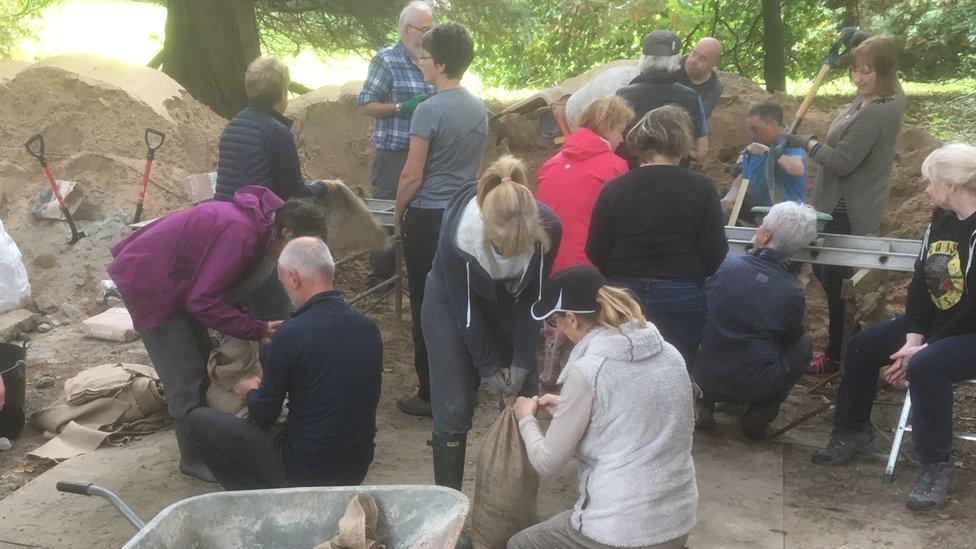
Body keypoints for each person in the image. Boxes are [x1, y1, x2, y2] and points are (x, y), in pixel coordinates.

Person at [107, 186, 328, 482]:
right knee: (184, 376)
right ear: (286, 232)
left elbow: (220, 283)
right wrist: (254, 328)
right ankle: (193, 459)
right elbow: (202, 301)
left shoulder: (259, 226)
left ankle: (205, 440)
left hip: (174, 278)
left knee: (200, 358)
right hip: (151, 283)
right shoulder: (242, 233)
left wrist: (249, 324)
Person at [811, 144, 976, 512]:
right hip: (938, 322)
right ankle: (853, 431)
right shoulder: (941, 219)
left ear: (950, 184)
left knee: (927, 365)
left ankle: (936, 465)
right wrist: (915, 335)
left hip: (970, 330)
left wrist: (924, 349)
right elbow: (921, 282)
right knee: (863, 344)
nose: (925, 187)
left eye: (929, 180)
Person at [509, 265, 696, 549]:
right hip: (677, 520)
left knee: (521, 544)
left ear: (571, 320)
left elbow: (547, 463)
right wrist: (569, 409)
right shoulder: (669, 353)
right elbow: (635, 414)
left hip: (623, 530)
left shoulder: (590, 371)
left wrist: (525, 419)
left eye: (554, 322)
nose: (555, 328)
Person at [187, 237, 382, 490]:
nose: (285, 291)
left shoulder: (291, 334)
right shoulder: (368, 329)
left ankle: (259, 497)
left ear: (294, 277)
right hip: (356, 465)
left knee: (198, 420)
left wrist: (251, 391)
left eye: (282, 283)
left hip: (305, 469)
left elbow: (265, 415)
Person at [422, 155, 561, 493]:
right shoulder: (461, 234)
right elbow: (465, 312)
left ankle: (512, 503)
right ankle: (450, 502)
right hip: (451, 300)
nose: (511, 251)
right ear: (484, 220)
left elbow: (533, 300)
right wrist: (486, 367)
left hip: (511, 298)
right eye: (502, 245)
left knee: (523, 393)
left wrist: (521, 360)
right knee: (455, 403)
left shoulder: (550, 228)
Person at [785, 36, 904, 376]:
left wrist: (807, 143)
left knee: (836, 279)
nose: (859, 78)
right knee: (827, 274)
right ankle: (849, 344)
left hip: (848, 207)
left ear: (883, 71)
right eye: (855, 70)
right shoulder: (864, 101)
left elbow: (842, 161)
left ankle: (840, 353)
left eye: (867, 71)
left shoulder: (879, 112)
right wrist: (864, 37)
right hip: (832, 201)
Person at [391, 22, 487, 417]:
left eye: (424, 58)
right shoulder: (478, 107)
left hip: (429, 217)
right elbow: (475, 169)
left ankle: (430, 392)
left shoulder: (428, 109)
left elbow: (411, 175)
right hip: (467, 214)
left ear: (442, 63)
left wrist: (398, 215)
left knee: (426, 304)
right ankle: (469, 384)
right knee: (466, 299)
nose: (420, 64)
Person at [586, 105, 727, 366]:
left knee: (623, 370)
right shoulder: (702, 188)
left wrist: (619, 275)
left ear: (642, 141)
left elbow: (595, 247)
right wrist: (691, 276)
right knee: (677, 370)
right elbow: (715, 251)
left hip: (624, 292)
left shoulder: (615, 187)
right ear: (683, 142)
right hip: (681, 291)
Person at [215, 56, 336, 323]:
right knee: (273, 314)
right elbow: (295, 190)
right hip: (260, 231)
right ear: (282, 92)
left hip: (225, 229)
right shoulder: (276, 132)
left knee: (241, 312)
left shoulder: (233, 126)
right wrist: (324, 187)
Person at [693, 201, 817, 438]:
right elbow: (791, 336)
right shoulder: (792, 291)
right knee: (804, 347)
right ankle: (760, 412)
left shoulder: (722, 265)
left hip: (703, 373)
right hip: (755, 385)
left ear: (765, 235)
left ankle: (702, 402)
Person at [535, 95, 632, 389]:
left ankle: (549, 366)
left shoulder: (551, 163)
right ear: (609, 126)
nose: (622, 138)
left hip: (546, 263)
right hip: (587, 266)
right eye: (620, 131)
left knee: (557, 316)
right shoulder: (616, 167)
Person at [358, 1, 436, 287]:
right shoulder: (386, 60)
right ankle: (382, 281)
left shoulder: (430, 61)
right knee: (388, 215)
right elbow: (365, 105)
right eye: (426, 30)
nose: (430, 36)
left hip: (424, 153)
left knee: (418, 214)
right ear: (407, 31)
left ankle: (416, 275)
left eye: (433, 29)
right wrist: (402, 107)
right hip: (393, 155)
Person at [616, 30, 709, 163]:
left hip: (630, 178)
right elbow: (700, 152)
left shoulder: (622, 95)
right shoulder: (691, 97)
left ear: (643, 58)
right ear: (676, 59)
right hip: (674, 178)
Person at [723, 100, 808, 217]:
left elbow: (797, 169)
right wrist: (728, 199)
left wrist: (770, 153)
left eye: (755, 129)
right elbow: (742, 176)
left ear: (772, 125)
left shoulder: (792, 142)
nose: (752, 134)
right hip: (759, 211)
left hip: (787, 215)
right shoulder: (756, 143)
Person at [675, 37, 725, 118]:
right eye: (694, 54)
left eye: (702, 59)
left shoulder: (714, 87)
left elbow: (700, 117)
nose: (694, 61)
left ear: (713, 64)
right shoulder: (673, 65)